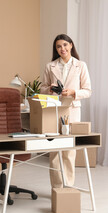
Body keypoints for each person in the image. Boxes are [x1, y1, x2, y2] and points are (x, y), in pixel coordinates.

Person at [41, 34, 91, 188]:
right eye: (58, 46)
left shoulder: (80, 65)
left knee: (69, 151)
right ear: (56, 49)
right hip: (54, 110)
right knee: (55, 151)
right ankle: (57, 188)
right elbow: (42, 88)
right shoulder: (50, 66)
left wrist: (73, 93)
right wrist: (49, 89)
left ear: (71, 45)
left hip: (72, 111)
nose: (62, 49)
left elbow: (88, 90)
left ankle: (68, 186)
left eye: (64, 45)